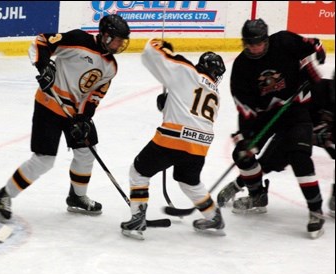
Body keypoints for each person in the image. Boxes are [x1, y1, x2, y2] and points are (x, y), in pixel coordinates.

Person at [0, 14, 130, 220]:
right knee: (44, 160)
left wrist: (84, 119)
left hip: (74, 112)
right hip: (49, 104)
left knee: (86, 153)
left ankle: (77, 197)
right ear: (105, 36)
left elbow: (94, 96)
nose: (120, 45)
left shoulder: (111, 67)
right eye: (118, 39)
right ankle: (4, 195)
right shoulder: (78, 39)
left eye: (122, 41)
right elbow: (42, 41)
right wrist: (44, 66)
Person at [228, 18, 327, 239]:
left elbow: (314, 45)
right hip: (264, 116)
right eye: (249, 44)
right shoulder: (241, 66)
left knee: (299, 156)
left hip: (296, 111)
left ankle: (315, 210)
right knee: (242, 155)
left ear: (266, 40)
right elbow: (245, 107)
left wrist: (317, 55)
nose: (253, 48)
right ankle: (257, 196)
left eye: (258, 43)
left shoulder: (283, 41)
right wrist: (247, 136)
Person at [120, 38, 226, 240]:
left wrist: (162, 45)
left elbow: (150, 53)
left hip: (173, 139)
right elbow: (192, 112)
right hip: (200, 146)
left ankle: (136, 219)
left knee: (139, 172)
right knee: (189, 182)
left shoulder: (187, 71)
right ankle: (214, 217)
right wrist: (168, 104)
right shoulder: (216, 95)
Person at [218, 77, 335, 218]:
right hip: (296, 131)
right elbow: (292, 113)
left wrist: (327, 138)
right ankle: (238, 186)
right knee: (269, 162)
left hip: (321, 135)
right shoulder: (316, 88)